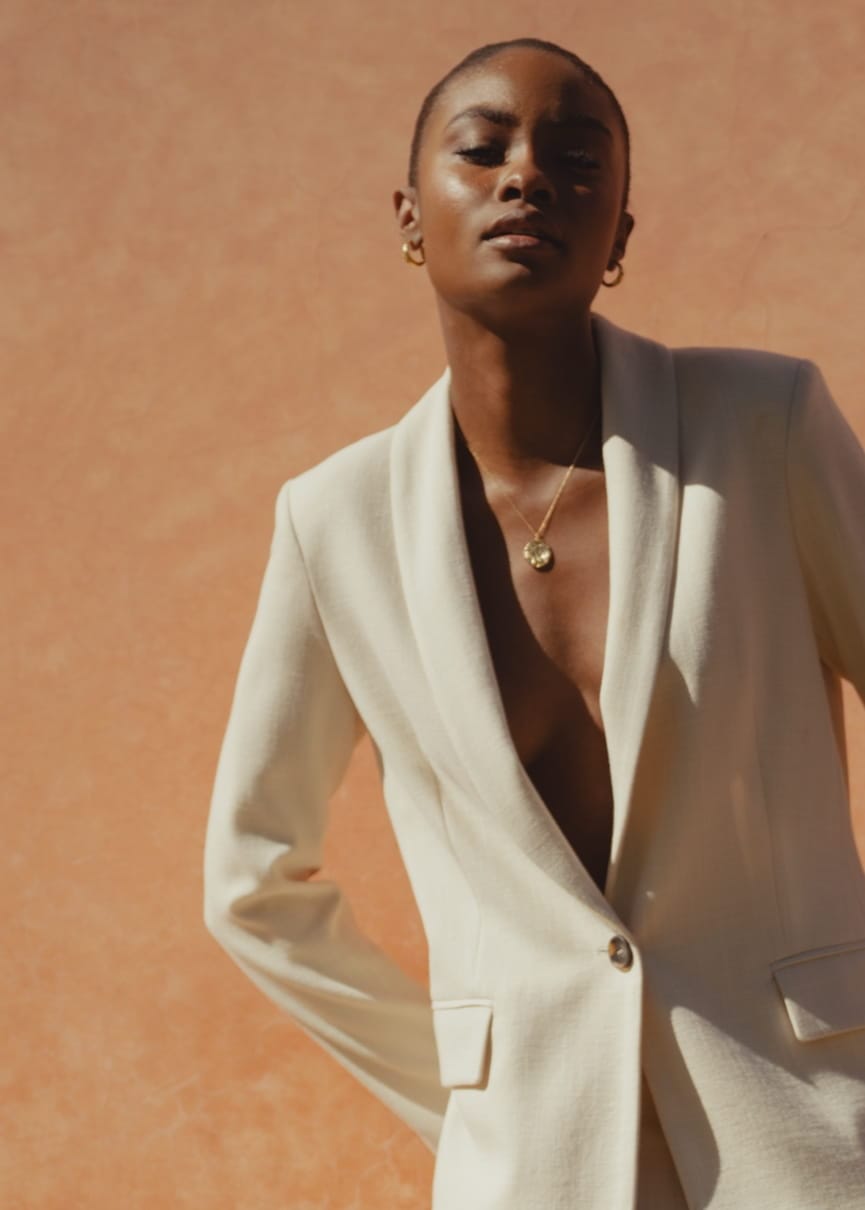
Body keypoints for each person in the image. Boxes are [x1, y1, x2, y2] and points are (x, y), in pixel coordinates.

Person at [202, 37, 865, 1210]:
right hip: (534, 1169)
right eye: (483, 150)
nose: (527, 178)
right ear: (410, 216)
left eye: (575, 159)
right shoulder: (335, 524)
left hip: (808, 1139)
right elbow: (251, 882)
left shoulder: (761, 426)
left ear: (618, 235)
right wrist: (471, 1093)